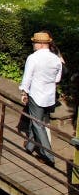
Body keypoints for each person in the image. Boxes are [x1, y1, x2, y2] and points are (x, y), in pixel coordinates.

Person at [20, 31, 63, 166]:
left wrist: (24, 93)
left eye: (34, 42)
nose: (33, 44)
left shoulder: (33, 58)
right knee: (38, 120)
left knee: (38, 124)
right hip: (49, 96)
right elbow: (57, 79)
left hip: (36, 94)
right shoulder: (56, 59)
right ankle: (30, 147)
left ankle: (49, 156)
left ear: (40, 44)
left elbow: (27, 77)